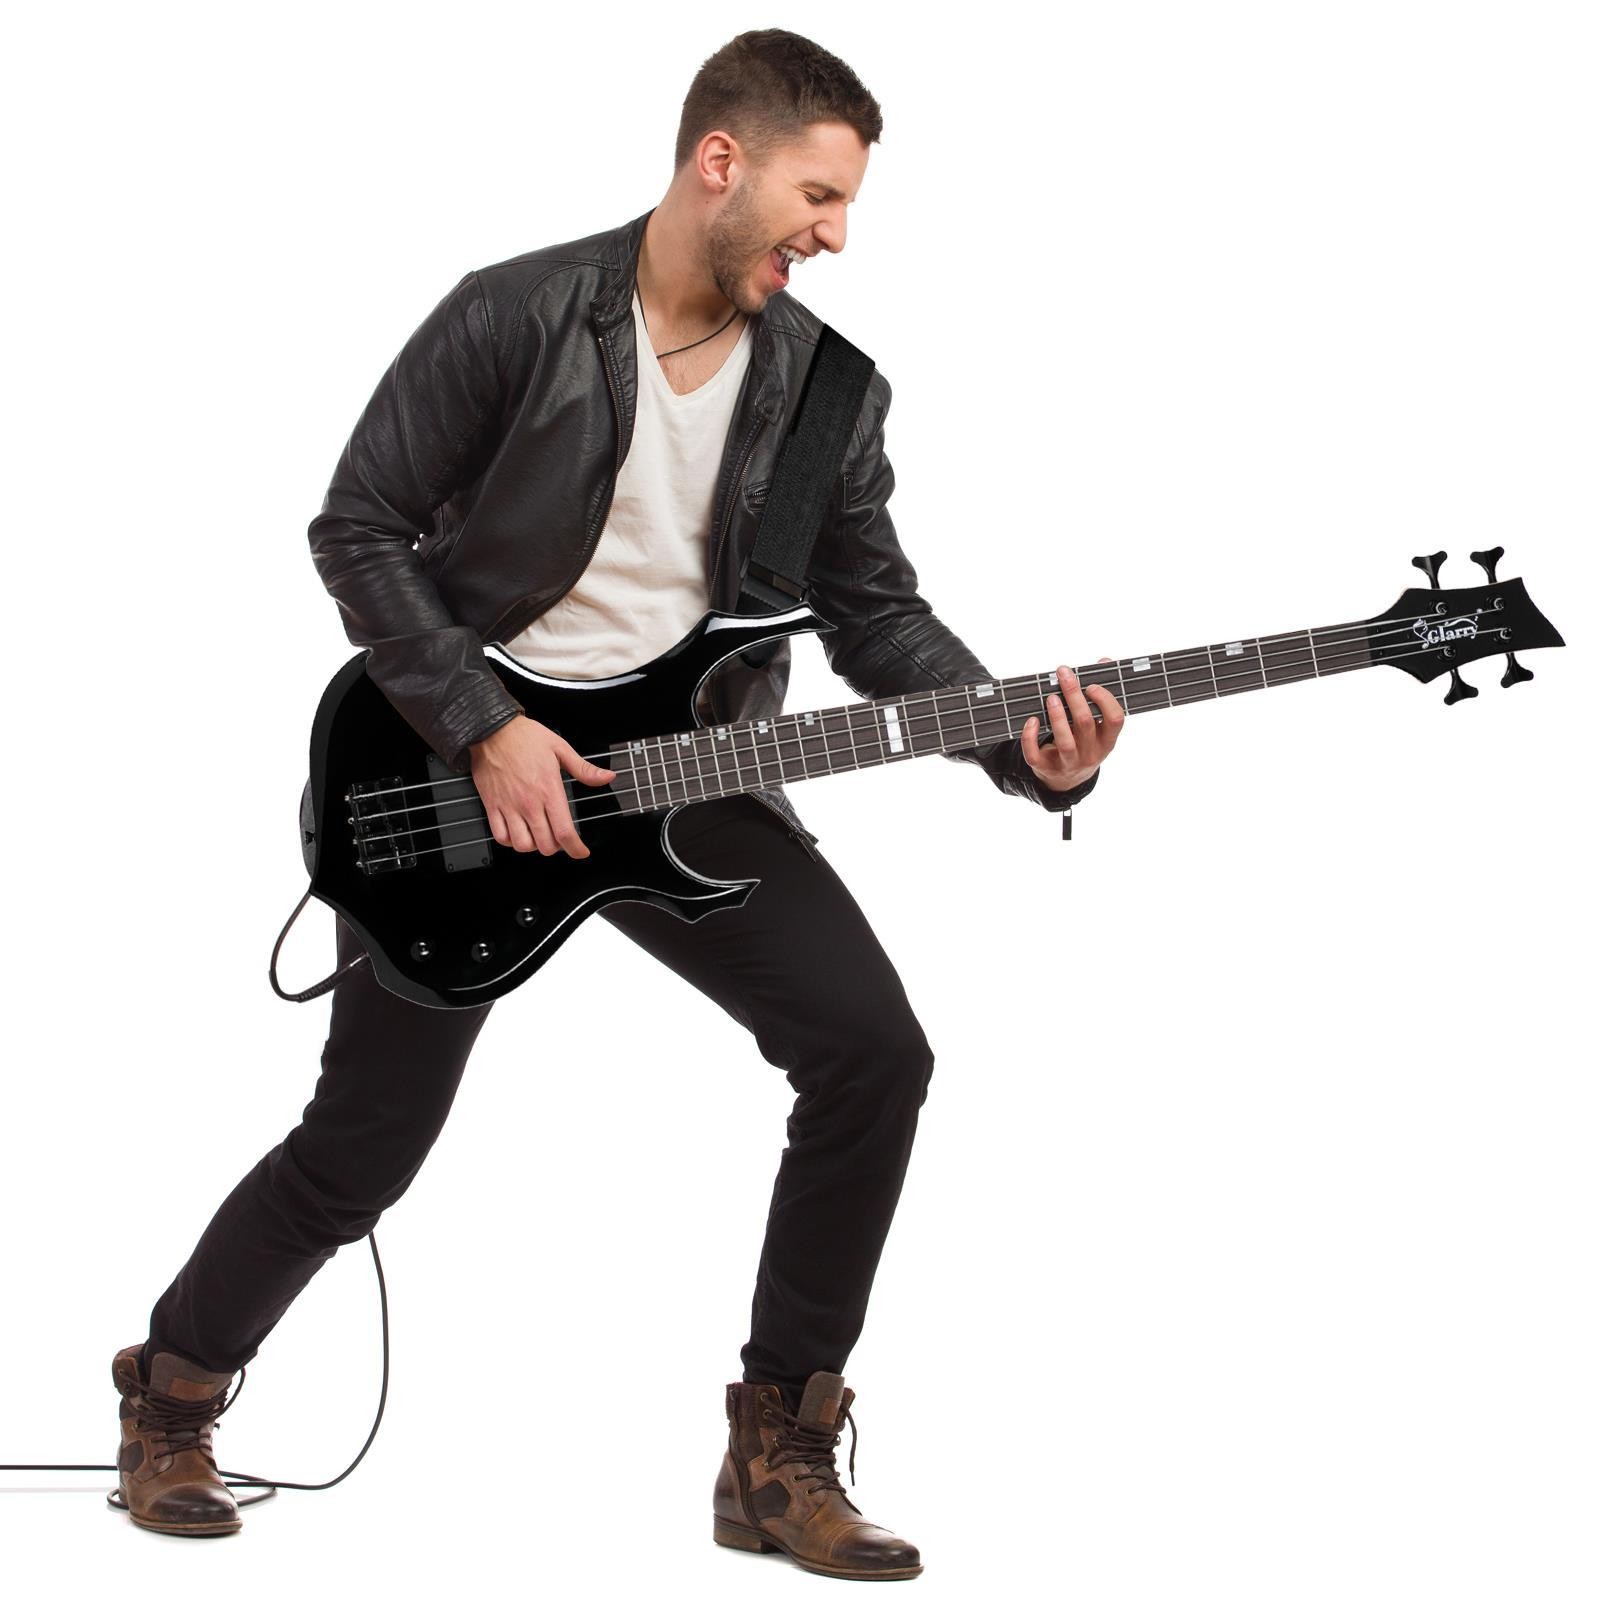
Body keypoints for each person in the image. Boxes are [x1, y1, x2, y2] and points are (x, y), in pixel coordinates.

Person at [110, 28, 1123, 1580]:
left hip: (690, 776)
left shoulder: (823, 391)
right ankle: (174, 1391)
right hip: (451, 778)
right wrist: (487, 726)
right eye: (818, 197)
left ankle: (776, 1456)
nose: (836, 235)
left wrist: (1019, 745)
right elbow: (359, 526)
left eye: (847, 207)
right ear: (721, 162)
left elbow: (874, 616)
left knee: (872, 1053)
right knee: (369, 1140)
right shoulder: (515, 313)